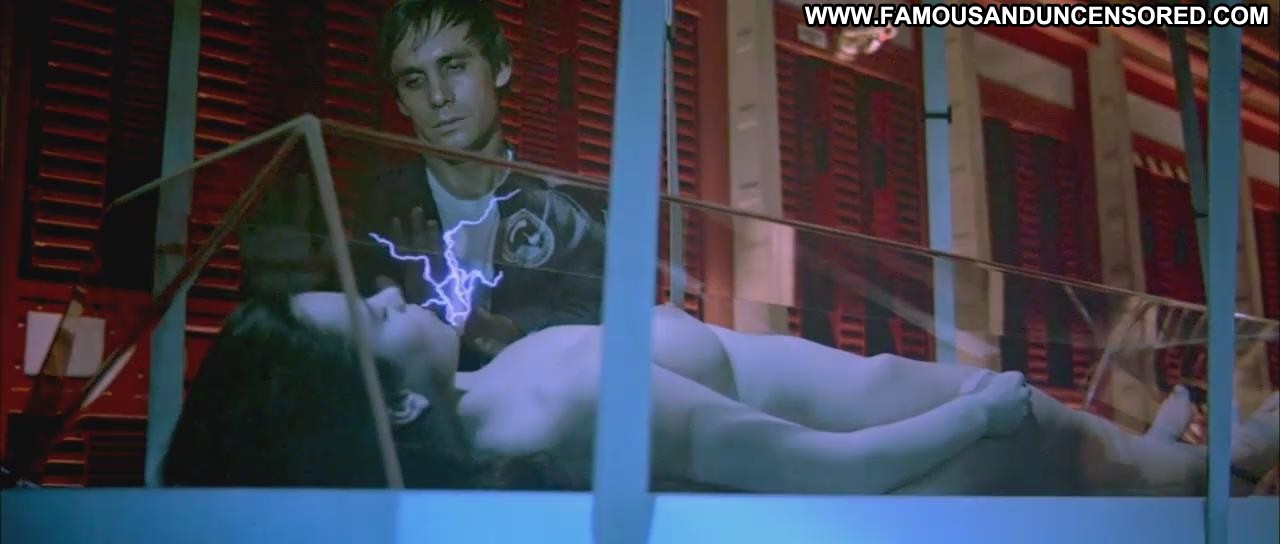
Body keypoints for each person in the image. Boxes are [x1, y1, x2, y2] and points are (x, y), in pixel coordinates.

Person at [164, 287, 1280, 495]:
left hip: (890, 403)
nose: (387, 289)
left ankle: (1192, 460)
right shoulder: (555, 406)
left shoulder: (494, 394)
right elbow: (815, 469)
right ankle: (1210, 470)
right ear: (396, 406)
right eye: (369, 314)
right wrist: (967, 415)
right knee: (1072, 453)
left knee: (1088, 449)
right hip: (910, 442)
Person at [350, 0, 607, 370]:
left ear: (500, 66)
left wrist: (512, 334)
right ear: (401, 102)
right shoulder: (376, 209)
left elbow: (599, 327)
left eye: (454, 67)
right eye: (414, 81)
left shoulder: (569, 214)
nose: (438, 97)